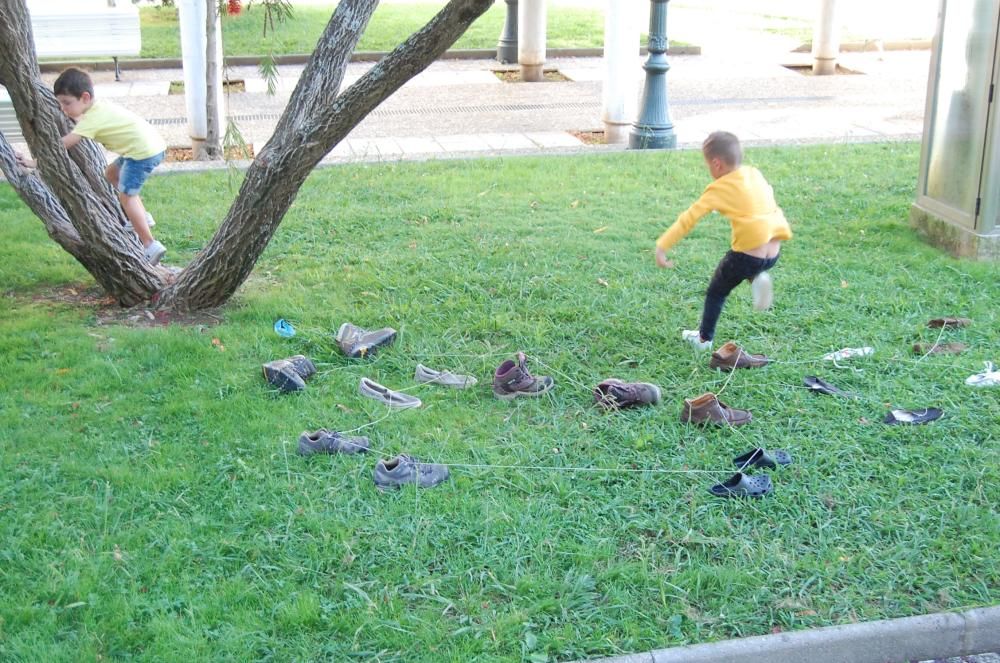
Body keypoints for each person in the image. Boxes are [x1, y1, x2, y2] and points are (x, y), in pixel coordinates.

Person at [654, 131, 792, 350]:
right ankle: (757, 278)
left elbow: (688, 220)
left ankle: (703, 340)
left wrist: (662, 245)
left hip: (747, 254)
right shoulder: (754, 174)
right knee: (748, 267)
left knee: (717, 292)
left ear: (716, 164)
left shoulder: (719, 188)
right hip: (773, 249)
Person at [16, 68, 167, 264]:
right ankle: (141, 217)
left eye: (67, 103)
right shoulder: (99, 108)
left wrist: (32, 162)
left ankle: (150, 245)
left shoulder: (92, 120)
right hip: (150, 147)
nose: (63, 109)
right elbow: (84, 121)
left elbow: (63, 145)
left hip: (140, 154)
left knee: (127, 196)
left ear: (85, 97)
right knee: (112, 174)